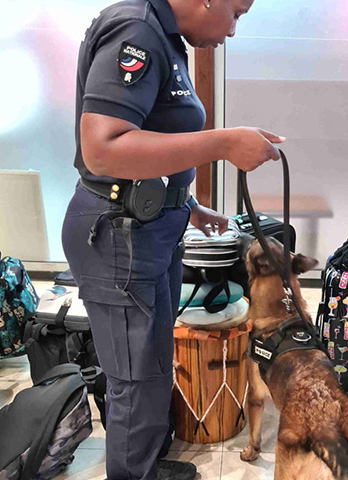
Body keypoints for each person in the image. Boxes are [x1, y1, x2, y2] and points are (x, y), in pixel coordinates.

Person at [61, 0, 283, 479]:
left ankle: (145, 467)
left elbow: (148, 139)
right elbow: (102, 149)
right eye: (237, 13)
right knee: (135, 380)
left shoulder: (163, 38)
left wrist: (186, 204)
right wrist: (223, 143)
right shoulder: (136, 32)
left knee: (155, 368)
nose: (233, 30)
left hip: (151, 226)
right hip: (119, 236)